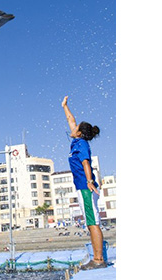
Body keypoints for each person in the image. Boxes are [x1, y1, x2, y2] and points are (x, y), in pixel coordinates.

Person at [62, 96, 107, 270]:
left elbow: (86, 163)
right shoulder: (77, 140)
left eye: (76, 128)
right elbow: (71, 120)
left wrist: (89, 181)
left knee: (92, 221)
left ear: (79, 133)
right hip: (83, 187)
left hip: (86, 187)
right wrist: (65, 106)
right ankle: (97, 257)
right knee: (90, 221)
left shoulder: (80, 144)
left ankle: (98, 259)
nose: (72, 127)